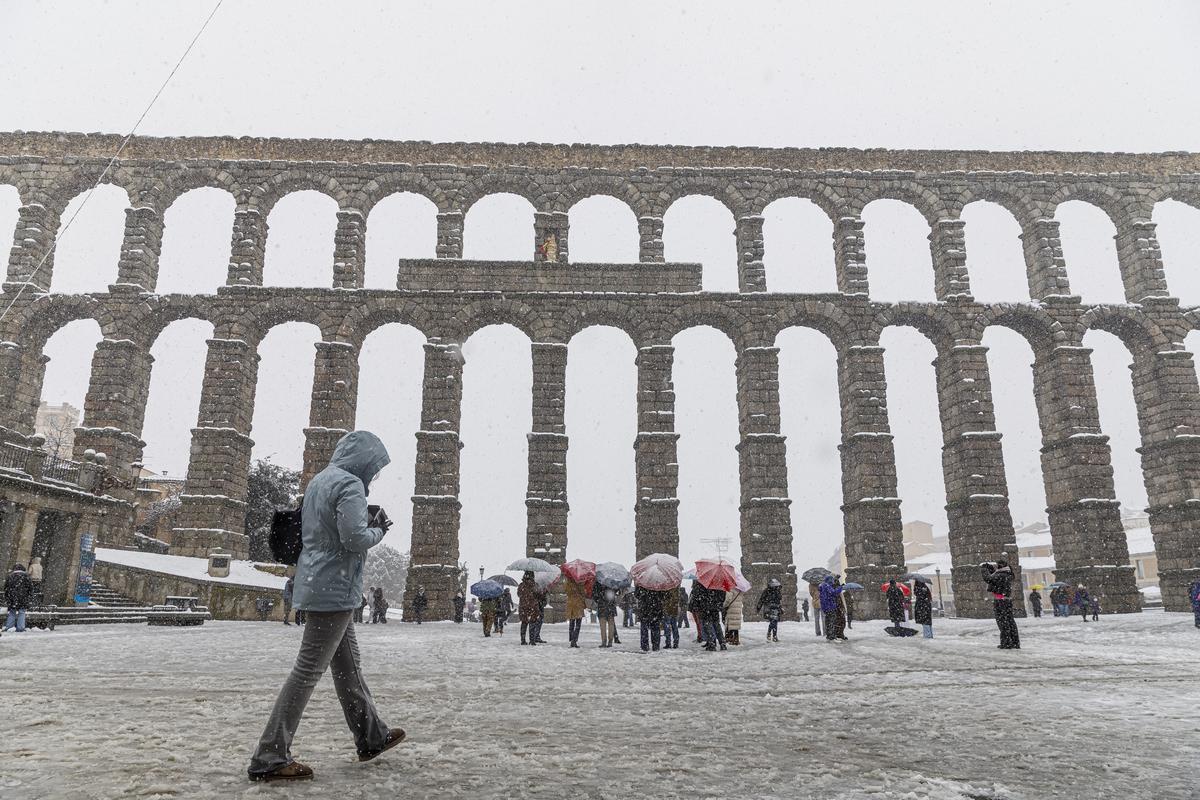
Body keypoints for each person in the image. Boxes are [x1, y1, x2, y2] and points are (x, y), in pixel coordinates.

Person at [247, 430, 404, 783]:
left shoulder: (319, 481)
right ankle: (269, 756)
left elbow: (323, 532)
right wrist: (379, 529)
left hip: (320, 581)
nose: (374, 474)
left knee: (349, 668)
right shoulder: (351, 485)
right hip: (335, 587)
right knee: (306, 672)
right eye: (375, 467)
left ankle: (371, 737)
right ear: (364, 460)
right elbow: (354, 538)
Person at [982, 558, 1020, 649]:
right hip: (1006, 600)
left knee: (1003, 622)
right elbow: (995, 578)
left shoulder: (1001, 574)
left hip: (1000, 601)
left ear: (1001, 566)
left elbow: (989, 579)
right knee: (1010, 621)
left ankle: (1006, 643)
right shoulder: (1007, 573)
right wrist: (991, 569)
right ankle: (1015, 642)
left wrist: (984, 569)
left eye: (997, 565)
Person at [3, 563, 34, 632]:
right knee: (22, 612)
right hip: (23, 598)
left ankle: (9, 627)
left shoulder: (10, 576)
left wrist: (7, 597)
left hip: (12, 597)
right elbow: (30, 588)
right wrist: (29, 597)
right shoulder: (26, 577)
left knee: (12, 612)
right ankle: (20, 628)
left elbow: (6, 588)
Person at [635, 585, 665, 652]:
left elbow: (637, 595)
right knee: (655, 628)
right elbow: (663, 596)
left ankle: (644, 646)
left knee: (644, 629)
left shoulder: (641, 583)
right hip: (656, 609)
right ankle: (656, 645)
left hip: (644, 609)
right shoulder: (659, 583)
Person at [818, 575, 845, 642]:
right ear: (830, 580)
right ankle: (831, 637)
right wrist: (841, 587)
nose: (833, 581)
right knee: (832, 622)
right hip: (830, 606)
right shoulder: (827, 586)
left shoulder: (822, 586)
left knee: (828, 622)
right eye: (832, 580)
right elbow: (834, 593)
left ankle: (829, 636)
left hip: (825, 608)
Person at [701, 584, 727, 652]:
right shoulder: (720, 585)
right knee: (717, 625)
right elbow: (723, 597)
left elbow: (701, 596)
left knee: (708, 626)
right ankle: (722, 643)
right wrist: (719, 604)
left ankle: (711, 643)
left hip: (706, 608)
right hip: (715, 608)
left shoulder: (705, 584)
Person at [593, 581, 618, 648]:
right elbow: (616, 592)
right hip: (611, 607)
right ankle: (610, 642)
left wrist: (599, 600)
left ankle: (604, 642)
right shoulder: (612, 581)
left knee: (603, 626)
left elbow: (594, 595)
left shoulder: (598, 582)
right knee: (611, 625)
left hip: (602, 607)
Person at [517, 571, 539, 646]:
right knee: (532, 623)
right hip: (533, 606)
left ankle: (523, 640)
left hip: (523, 607)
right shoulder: (535, 585)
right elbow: (539, 594)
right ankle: (532, 640)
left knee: (524, 623)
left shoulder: (521, 585)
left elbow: (519, 594)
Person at [565, 578, 586, 648]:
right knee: (578, 625)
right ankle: (574, 640)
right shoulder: (580, 582)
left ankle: (572, 639)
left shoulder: (568, 583)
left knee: (571, 624)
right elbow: (583, 593)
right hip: (578, 604)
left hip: (571, 605)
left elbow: (566, 591)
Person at [662, 583, 680, 649]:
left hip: (667, 610)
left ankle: (668, 643)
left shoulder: (666, 587)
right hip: (674, 610)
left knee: (667, 627)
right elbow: (677, 599)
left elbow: (664, 599)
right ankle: (676, 642)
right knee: (674, 626)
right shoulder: (676, 587)